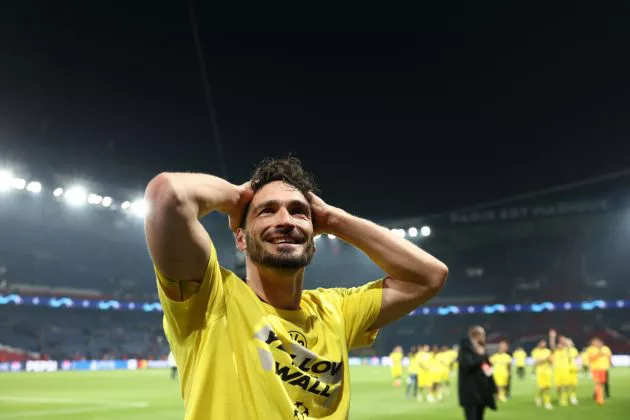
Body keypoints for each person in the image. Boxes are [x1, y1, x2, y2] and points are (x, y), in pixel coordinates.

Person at [144, 157, 448, 420]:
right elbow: (167, 195)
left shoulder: (336, 310)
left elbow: (429, 276)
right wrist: (238, 197)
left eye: (298, 211)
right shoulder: (211, 298)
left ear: (313, 238)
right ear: (240, 239)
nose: (285, 221)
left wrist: (334, 219)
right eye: (267, 211)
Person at [458, 326, 497, 420]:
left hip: (482, 393)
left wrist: (493, 388)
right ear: (477, 336)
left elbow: (487, 370)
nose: (484, 337)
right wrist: (480, 356)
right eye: (483, 335)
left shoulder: (482, 349)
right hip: (470, 393)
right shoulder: (465, 350)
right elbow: (468, 366)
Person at [588, 337, 612, 406]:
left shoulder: (605, 348)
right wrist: (599, 353)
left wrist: (610, 363)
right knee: (598, 382)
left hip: (603, 368)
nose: (597, 343)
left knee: (601, 383)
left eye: (597, 342)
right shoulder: (591, 349)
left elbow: (609, 355)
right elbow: (591, 359)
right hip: (595, 368)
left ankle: (599, 396)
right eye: (595, 342)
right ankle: (599, 399)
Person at [549, 330, 570, 406]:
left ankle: (565, 398)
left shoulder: (566, 349)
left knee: (566, 385)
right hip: (557, 370)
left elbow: (568, 344)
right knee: (558, 386)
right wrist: (552, 337)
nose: (562, 341)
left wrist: (564, 340)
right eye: (560, 340)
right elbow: (552, 345)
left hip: (565, 369)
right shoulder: (556, 350)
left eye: (563, 340)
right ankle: (560, 398)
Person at [531, 339, 553, 410]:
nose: (543, 344)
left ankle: (547, 402)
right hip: (539, 371)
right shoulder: (535, 351)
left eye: (544, 343)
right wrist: (545, 359)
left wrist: (548, 359)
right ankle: (538, 397)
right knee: (542, 387)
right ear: (539, 344)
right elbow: (536, 362)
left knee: (548, 387)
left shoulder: (548, 351)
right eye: (542, 343)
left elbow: (551, 361)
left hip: (548, 371)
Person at [565, 338, 579, 405]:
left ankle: (573, 396)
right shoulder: (563, 350)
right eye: (567, 342)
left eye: (570, 342)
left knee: (573, 385)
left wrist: (579, 366)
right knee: (566, 385)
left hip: (573, 369)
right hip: (565, 370)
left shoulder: (574, 350)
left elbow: (576, 359)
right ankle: (567, 396)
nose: (569, 343)